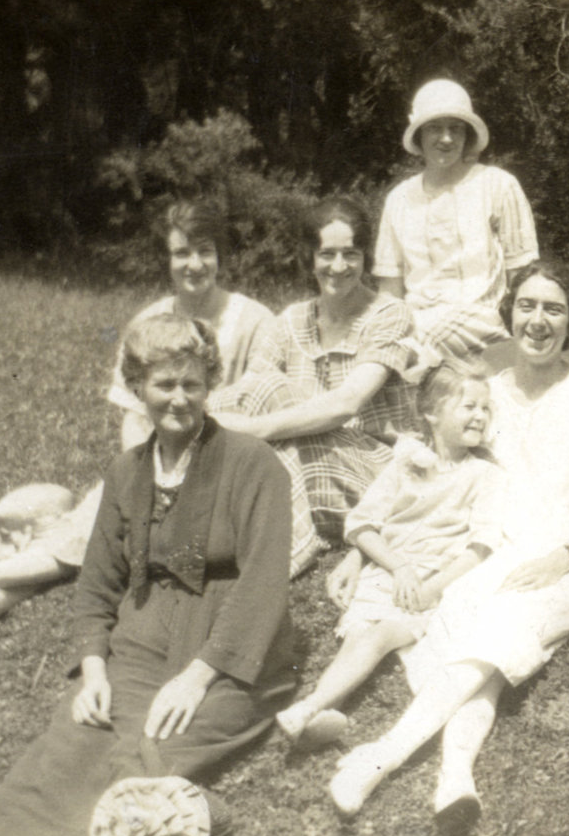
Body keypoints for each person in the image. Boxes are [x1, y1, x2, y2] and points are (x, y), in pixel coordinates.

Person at [0, 314, 296, 836]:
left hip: (234, 650)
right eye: (164, 385)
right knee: (75, 734)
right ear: (139, 389)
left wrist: (199, 677)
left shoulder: (253, 465)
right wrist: (94, 670)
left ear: (209, 385)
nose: (178, 399)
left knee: (153, 748)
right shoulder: (126, 473)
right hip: (142, 639)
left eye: (192, 384)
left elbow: (264, 583)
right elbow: (97, 585)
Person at [322, 260, 569, 835]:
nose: (539, 321)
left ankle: (378, 757)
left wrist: (559, 560)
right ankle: (455, 777)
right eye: (528, 306)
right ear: (510, 312)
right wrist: (360, 549)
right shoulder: (486, 395)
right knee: (469, 642)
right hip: (496, 550)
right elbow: (423, 477)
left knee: (500, 628)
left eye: (555, 309)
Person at [0, 201, 275, 637]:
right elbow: (130, 413)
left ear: (221, 254)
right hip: (156, 462)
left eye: (205, 251)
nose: (194, 264)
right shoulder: (148, 320)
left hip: (219, 472)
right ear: (167, 258)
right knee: (106, 514)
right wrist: (143, 470)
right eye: (182, 253)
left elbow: (262, 411)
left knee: (101, 524)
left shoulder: (255, 321)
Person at [272, 369, 504, 749]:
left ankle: (310, 705)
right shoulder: (405, 464)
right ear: (431, 413)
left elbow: (481, 546)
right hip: (388, 576)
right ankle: (317, 717)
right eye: (469, 407)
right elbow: (362, 524)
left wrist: (432, 589)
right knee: (358, 642)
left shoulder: (484, 475)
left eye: (485, 408)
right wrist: (396, 566)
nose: (480, 416)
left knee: (379, 635)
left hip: (432, 586)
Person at [213, 196, 419, 568]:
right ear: (310, 257)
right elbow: (247, 393)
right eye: (327, 254)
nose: (339, 267)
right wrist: (202, 415)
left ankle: (280, 552)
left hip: (376, 470)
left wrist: (251, 430)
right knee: (254, 396)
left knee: (277, 409)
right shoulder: (292, 319)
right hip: (307, 460)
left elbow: (347, 404)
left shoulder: (390, 314)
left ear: (364, 258)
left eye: (351, 254)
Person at [374, 79, 539, 370]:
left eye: (456, 128)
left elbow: (523, 276)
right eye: (436, 127)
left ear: (468, 135)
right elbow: (389, 292)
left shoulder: (497, 185)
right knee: (372, 340)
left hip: (481, 320)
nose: (446, 138)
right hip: (415, 322)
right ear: (420, 135)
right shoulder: (398, 199)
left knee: (401, 349)